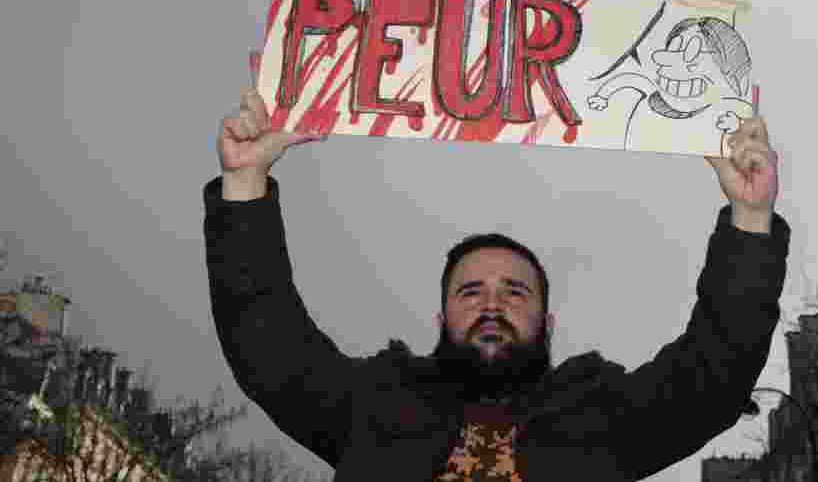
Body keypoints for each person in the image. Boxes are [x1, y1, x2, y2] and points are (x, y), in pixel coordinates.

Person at [204, 80, 788, 481]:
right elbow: (266, 339)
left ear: (546, 320)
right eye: (470, 291)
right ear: (441, 319)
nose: (491, 304)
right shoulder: (372, 407)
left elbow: (716, 369)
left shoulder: (604, 417)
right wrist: (245, 185)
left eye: (514, 291)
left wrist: (751, 219)